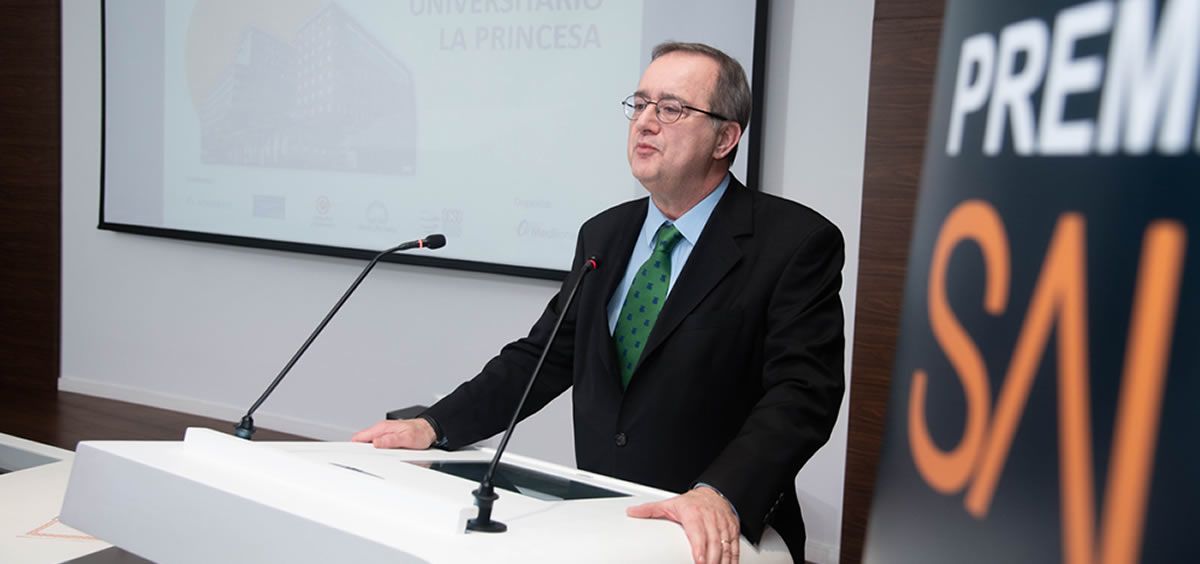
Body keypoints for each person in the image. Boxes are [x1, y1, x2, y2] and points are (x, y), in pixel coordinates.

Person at [353, 41, 845, 564]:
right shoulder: (604, 235)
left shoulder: (793, 242)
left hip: (709, 536)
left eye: (671, 109)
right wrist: (434, 425)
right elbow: (542, 357)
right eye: (640, 104)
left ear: (725, 137)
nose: (645, 123)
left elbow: (803, 394)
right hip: (603, 522)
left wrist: (719, 492)